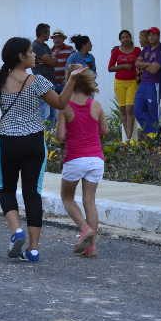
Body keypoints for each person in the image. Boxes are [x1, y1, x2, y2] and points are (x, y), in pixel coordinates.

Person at [0, 37, 86, 263]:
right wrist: (72, 80)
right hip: (34, 142)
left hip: (8, 143)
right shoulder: (36, 81)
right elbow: (60, 103)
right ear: (21, 57)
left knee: (5, 189)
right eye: (30, 52)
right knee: (32, 193)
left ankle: (17, 230)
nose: (34, 54)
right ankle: (34, 248)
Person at [56, 70, 107, 258]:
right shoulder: (96, 106)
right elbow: (104, 130)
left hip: (75, 158)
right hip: (96, 159)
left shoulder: (65, 107)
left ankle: (85, 229)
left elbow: (60, 136)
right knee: (89, 201)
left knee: (67, 198)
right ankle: (90, 247)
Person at [108, 30, 141, 141]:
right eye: (123, 37)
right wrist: (123, 67)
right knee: (122, 110)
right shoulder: (116, 51)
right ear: (120, 39)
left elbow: (140, 65)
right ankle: (128, 137)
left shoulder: (137, 50)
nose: (125, 39)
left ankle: (129, 137)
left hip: (132, 82)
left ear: (130, 38)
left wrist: (139, 75)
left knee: (129, 109)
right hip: (119, 82)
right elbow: (110, 68)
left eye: (127, 37)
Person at [134, 27, 161, 135]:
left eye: (154, 35)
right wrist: (148, 64)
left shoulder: (160, 50)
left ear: (158, 36)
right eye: (149, 35)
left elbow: (154, 70)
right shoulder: (146, 49)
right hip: (143, 84)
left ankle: (155, 136)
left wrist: (144, 65)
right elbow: (137, 63)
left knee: (153, 112)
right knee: (137, 110)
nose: (151, 37)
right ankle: (153, 134)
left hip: (154, 84)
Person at [31, 23, 57, 124]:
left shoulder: (45, 46)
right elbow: (52, 61)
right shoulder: (36, 46)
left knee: (52, 114)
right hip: (42, 83)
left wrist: (49, 60)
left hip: (50, 82)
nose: (50, 35)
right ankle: (43, 137)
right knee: (44, 113)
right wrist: (49, 60)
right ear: (43, 33)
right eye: (48, 32)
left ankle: (50, 137)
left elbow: (53, 61)